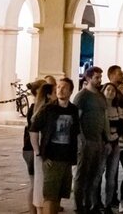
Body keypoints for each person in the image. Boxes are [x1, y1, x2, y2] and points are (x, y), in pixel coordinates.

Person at [31, 77, 81, 214]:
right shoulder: (48, 109)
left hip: (66, 158)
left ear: (71, 91)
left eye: (64, 87)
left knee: (59, 194)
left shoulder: (73, 110)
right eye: (58, 87)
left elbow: (76, 132)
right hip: (51, 158)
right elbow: (34, 129)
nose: (60, 90)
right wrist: (38, 152)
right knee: (50, 195)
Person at [73, 66, 110, 214]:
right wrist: (81, 140)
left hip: (98, 141)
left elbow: (104, 118)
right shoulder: (82, 96)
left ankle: (90, 203)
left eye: (100, 78)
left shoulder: (100, 96)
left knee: (94, 175)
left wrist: (106, 139)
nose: (99, 80)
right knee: (82, 174)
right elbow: (77, 120)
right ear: (88, 78)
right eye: (96, 78)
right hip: (86, 141)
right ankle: (79, 205)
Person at [23, 80, 50, 214]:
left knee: (37, 183)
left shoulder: (39, 108)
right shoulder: (36, 108)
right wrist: (38, 150)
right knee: (35, 184)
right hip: (31, 149)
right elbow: (33, 130)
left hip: (33, 149)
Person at [102, 73, 123, 212]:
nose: (110, 92)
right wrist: (106, 140)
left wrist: (114, 138)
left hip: (115, 144)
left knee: (111, 176)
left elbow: (121, 127)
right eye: (108, 90)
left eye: (113, 90)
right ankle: (95, 202)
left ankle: (108, 203)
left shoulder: (118, 109)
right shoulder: (101, 108)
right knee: (98, 175)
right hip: (103, 145)